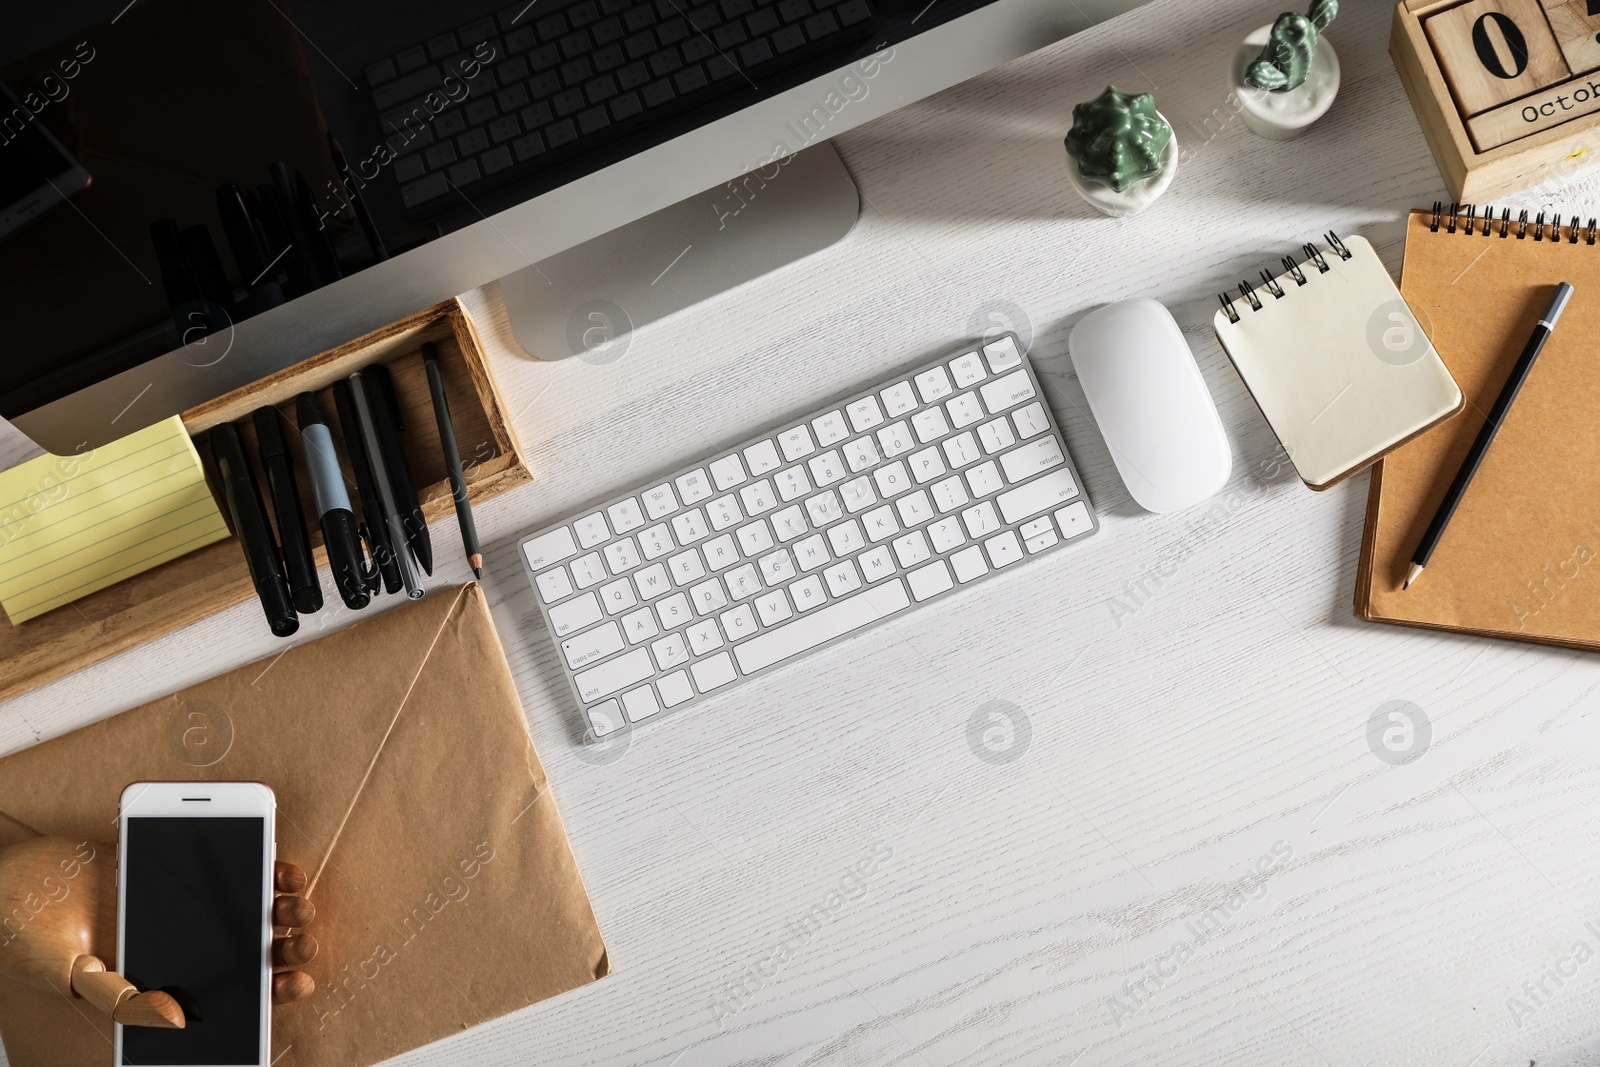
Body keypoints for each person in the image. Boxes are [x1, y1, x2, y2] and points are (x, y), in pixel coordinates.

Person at [0, 835, 317, 1028]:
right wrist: (132, 1005)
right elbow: (84, 973)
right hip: (171, 929)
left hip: (169, 889)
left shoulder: (20, 860)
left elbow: (86, 972)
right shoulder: (11, 938)